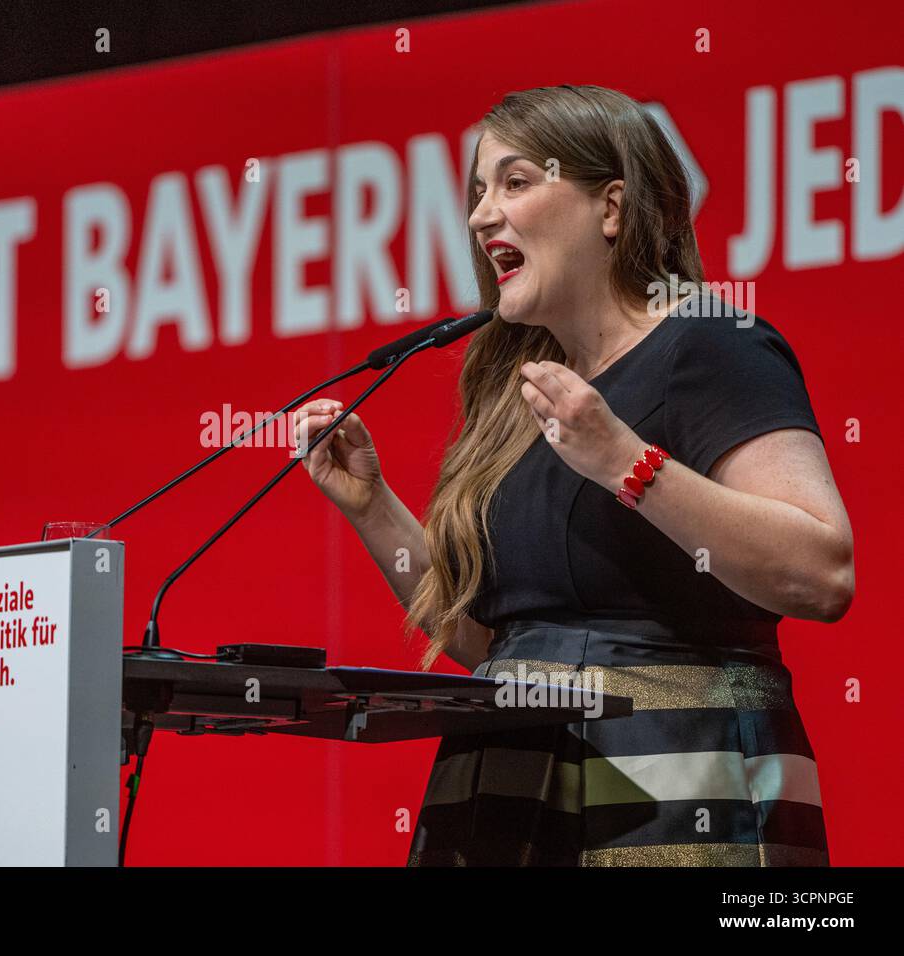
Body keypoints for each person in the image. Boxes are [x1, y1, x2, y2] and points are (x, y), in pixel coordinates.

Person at [293, 85, 853, 866]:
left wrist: (626, 462)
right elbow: (492, 643)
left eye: (515, 183)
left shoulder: (710, 344)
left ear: (612, 207)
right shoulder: (518, 393)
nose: (482, 214)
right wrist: (371, 507)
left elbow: (820, 572)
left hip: (678, 781)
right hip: (511, 777)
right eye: (478, 191)